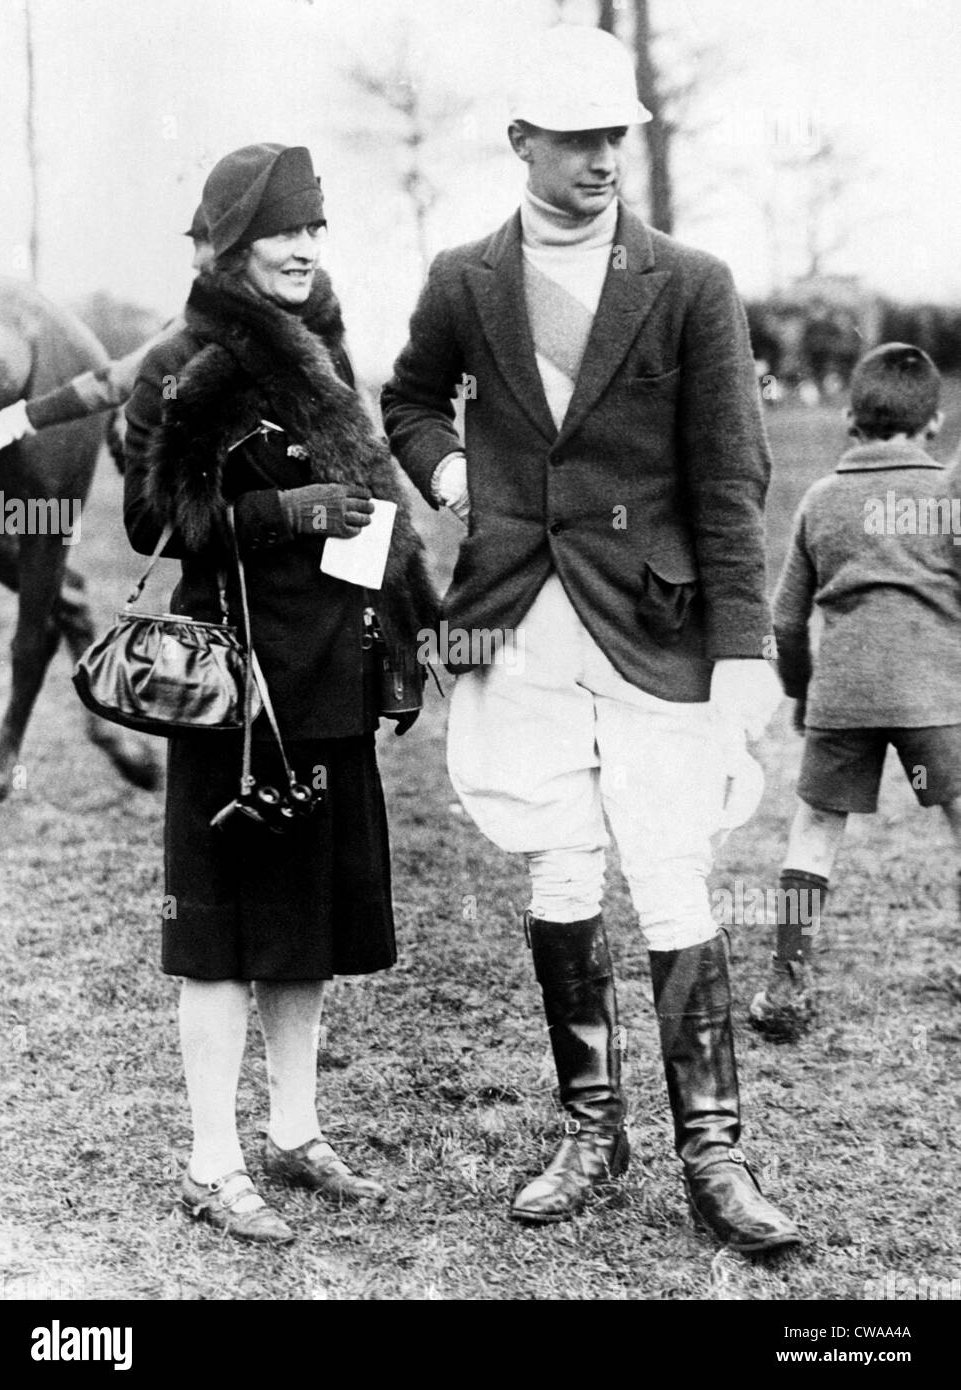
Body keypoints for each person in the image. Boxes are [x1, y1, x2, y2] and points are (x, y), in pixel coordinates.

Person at [381, 25, 799, 1252]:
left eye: (614, 135)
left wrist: (742, 645)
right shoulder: (465, 279)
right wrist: (455, 475)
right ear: (520, 142)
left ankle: (713, 1156)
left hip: (656, 622)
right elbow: (406, 398)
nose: (601, 158)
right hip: (514, 621)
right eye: (574, 137)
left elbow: (730, 478)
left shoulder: (691, 282)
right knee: (560, 868)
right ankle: (589, 1127)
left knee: (670, 871)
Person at [124, 142, 438, 1244]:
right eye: (282, 230)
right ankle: (212, 1163)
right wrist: (282, 513)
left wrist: (400, 641)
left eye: (313, 227)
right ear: (229, 242)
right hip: (231, 690)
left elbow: (378, 507)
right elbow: (150, 526)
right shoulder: (184, 361)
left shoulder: (321, 350)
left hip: (327, 680)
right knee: (215, 940)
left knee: (303, 928)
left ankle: (296, 1133)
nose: (305, 248)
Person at [749, 343, 961, 1041]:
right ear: (933, 424)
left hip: (844, 695)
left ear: (849, 420)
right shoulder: (946, 496)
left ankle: (785, 981)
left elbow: (783, 620)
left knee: (815, 830)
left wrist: (805, 696)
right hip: (937, 695)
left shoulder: (820, 499)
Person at [0, 211, 212, 481]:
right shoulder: (194, 321)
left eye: (207, 243)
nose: (195, 261)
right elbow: (130, 380)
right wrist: (11, 423)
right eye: (196, 244)